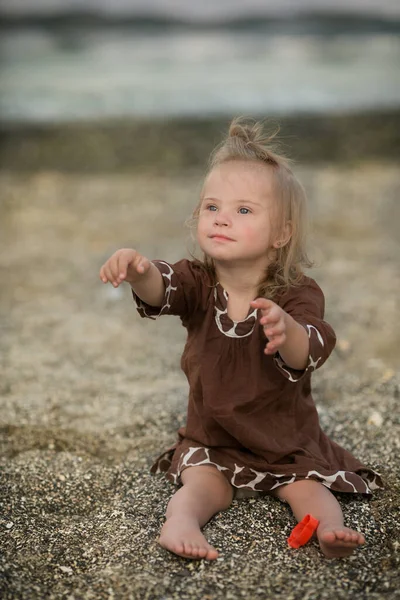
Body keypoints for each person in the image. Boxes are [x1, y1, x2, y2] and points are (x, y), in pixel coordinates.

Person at [99, 118, 382, 561]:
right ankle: (180, 524)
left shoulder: (298, 293)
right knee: (200, 485)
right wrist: (140, 272)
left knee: (308, 487)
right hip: (214, 439)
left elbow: (312, 347)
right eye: (212, 207)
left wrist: (286, 330)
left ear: (282, 233)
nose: (222, 219)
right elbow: (162, 287)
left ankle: (329, 530)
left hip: (284, 443)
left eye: (244, 211)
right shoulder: (199, 281)